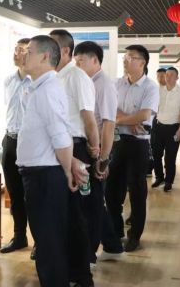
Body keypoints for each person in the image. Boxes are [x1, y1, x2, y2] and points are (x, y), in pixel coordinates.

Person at [16, 35, 78, 287]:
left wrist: (67, 170)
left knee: (49, 242)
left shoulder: (48, 90)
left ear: (44, 56)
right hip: (40, 174)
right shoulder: (39, 87)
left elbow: (61, 136)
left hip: (45, 176)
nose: (23, 55)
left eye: (29, 51)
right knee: (47, 240)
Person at [49, 30, 99, 287]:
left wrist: (95, 149)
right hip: (57, 150)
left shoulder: (77, 77)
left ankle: (82, 275)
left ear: (66, 51)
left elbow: (89, 119)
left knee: (77, 214)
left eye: (53, 46)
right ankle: (67, 269)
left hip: (76, 149)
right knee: (62, 213)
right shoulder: (53, 77)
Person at [105, 44, 159, 252]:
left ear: (142, 62)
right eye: (125, 57)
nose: (125, 60)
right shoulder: (116, 83)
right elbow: (111, 109)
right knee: (112, 190)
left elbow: (145, 115)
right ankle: (115, 231)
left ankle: (134, 235)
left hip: (139, 144)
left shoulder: (150, 87)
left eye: (130, 57)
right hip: (117, 141)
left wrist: (119, 120)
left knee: (136, 191)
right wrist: (129, 120)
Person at [73, 41, 122, 263]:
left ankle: (89, 255)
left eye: (81, 61)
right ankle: (112, 245)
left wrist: (103, 159)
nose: (77, 65)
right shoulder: (85, 82)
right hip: (87, 149)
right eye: (75, 62)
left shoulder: (104, 84)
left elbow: (109, 124)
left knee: (92, 205)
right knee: (93, 203)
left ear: (95, 60)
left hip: (97, 151)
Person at [0, 38, 32, 255]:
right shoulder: (9, 80)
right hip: (10, 140)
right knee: (15, 193)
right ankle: (19, 236)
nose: (16, 53)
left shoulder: (37, 82)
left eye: (21, 50)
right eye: (15, 49)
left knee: (33, 194)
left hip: (29, 142)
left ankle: (39, 241)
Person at [151, 66, 180, 192]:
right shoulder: (159, 91)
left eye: (171, 75)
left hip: (173, 128)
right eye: (167, 74)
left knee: (170, 157)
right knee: (156, 154)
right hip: (158, 127)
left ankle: (168, 181)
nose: (168, 77)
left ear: (177, 77)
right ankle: (159, 177)